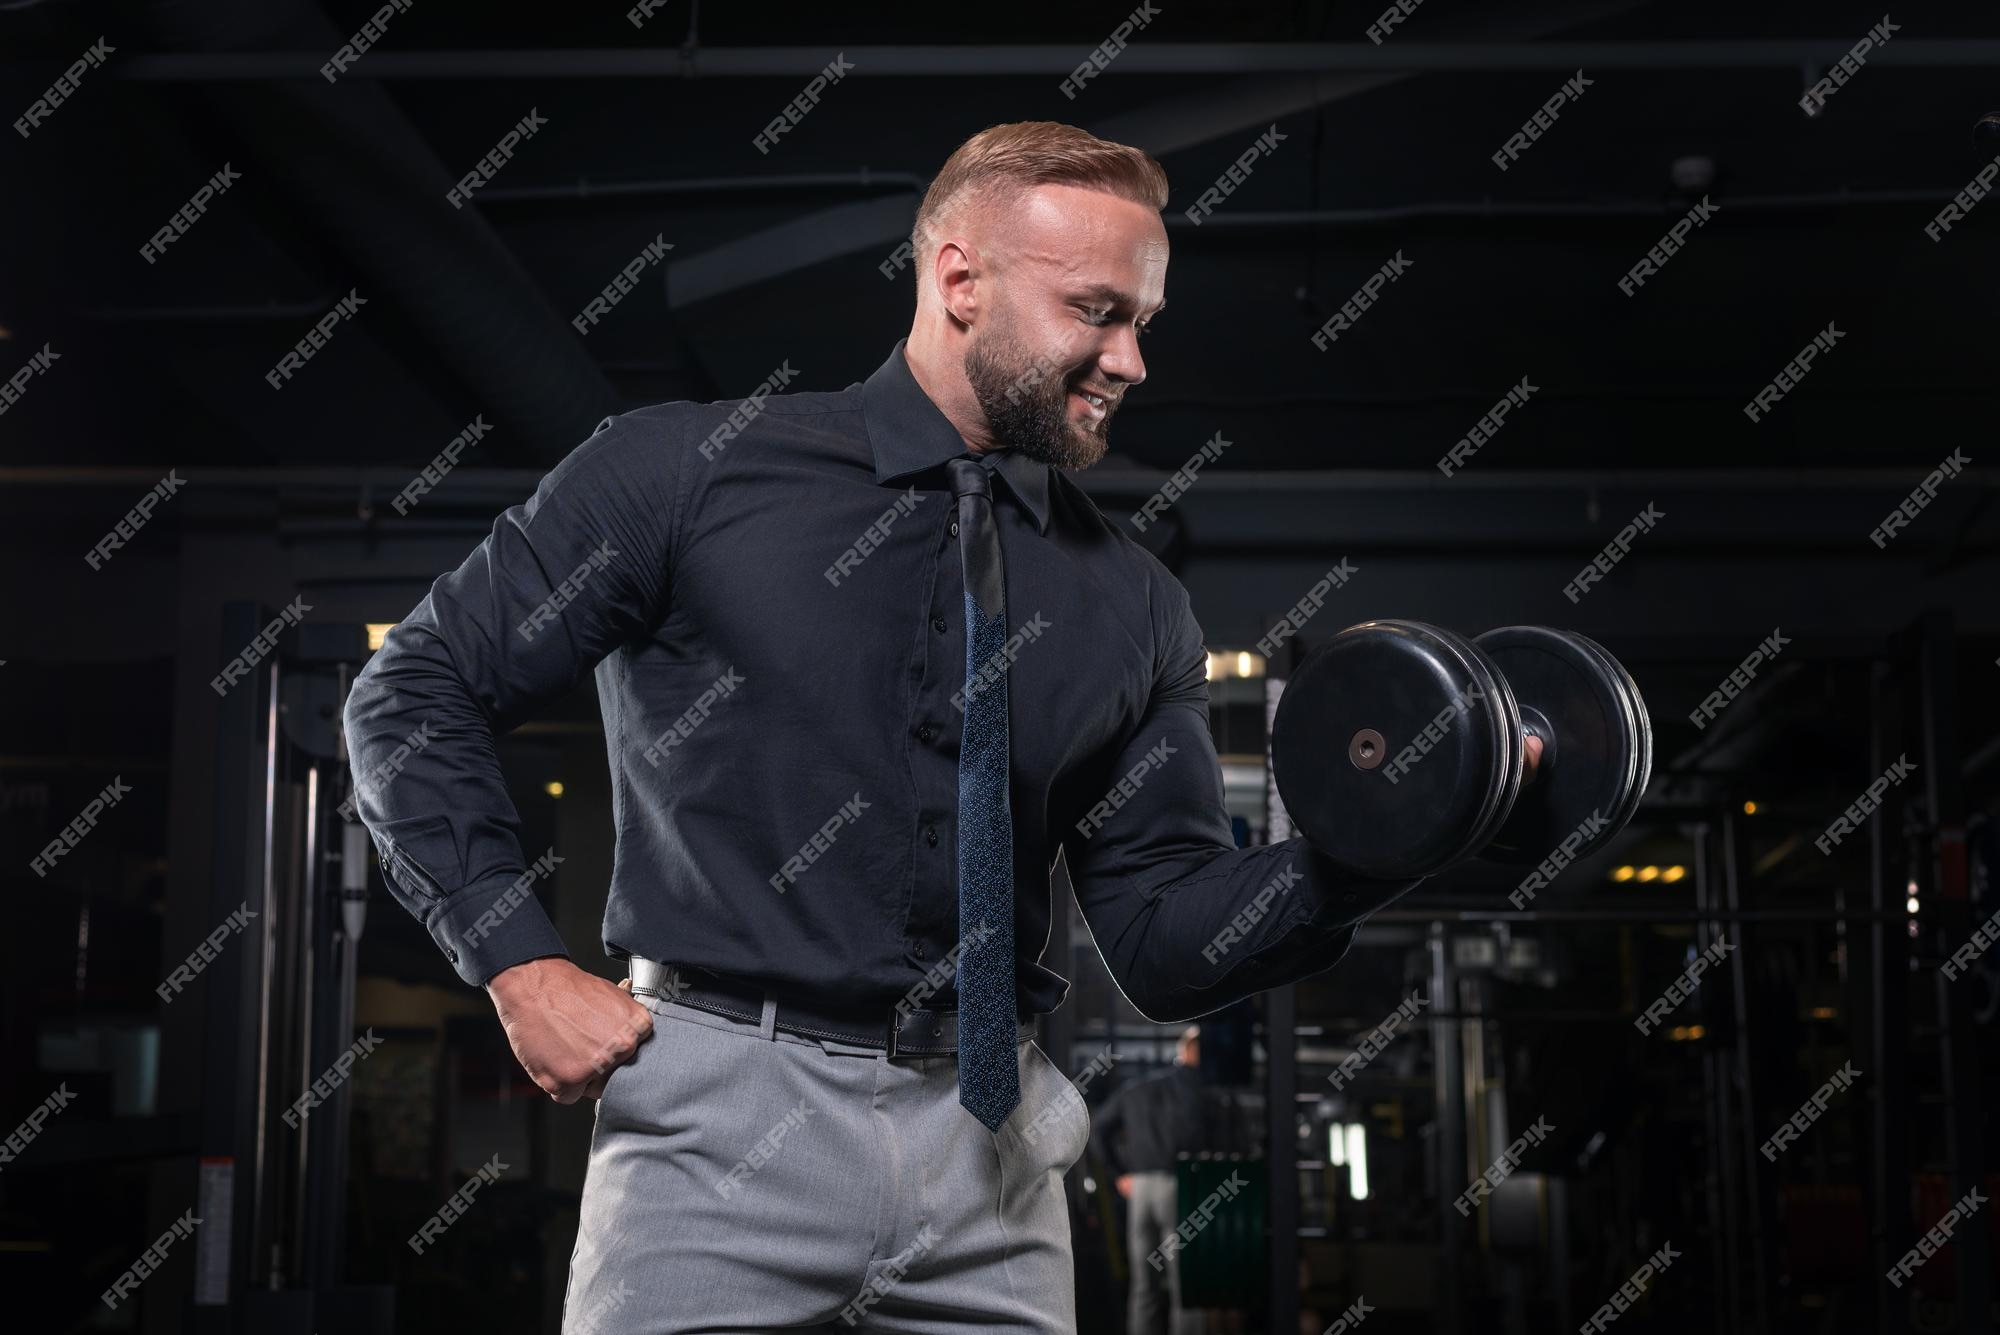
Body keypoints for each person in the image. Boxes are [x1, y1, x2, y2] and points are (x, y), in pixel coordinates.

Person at [344, 120, 1525, 1332]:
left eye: (1142, 324)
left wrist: (1378, 843)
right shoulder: (686, 475)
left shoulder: (1132, 601)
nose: (1130, 361)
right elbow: (416, 687)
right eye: (1096, 312)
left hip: (989, 1148)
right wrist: (516, 958)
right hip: (714, 1131)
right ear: (959, 282)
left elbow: (1166, 939)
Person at [1093, 1027, 1211, 1335]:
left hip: (1140, 1191)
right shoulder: (1197, 1088)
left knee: (1143, 1285)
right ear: (1193, 1053)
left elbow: (1097, 1130)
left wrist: (1119, 1175)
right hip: (1178, 1187)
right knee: (1184, 1282)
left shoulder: (1134, 1090)